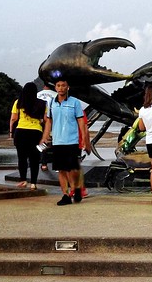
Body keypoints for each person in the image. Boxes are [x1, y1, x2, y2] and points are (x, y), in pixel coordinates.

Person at [40, 77, 91, 206]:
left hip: (72, 141)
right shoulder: (51, 103)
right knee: (61, 170)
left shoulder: (74, 103)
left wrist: (84, 139)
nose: (61, 88)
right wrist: (45, 137)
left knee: (72, 169)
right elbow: (49, 121)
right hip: (58, 141)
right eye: (58, 85)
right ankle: (66, 195)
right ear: (55, 87)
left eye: (63, 85)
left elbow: (81, 121)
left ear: (68, 87)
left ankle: (77, 188)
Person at [9, 82, 47, 190]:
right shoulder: (42, 103)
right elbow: (45, 120)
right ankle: (33, 183)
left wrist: (11, 132)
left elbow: (13, 119)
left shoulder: (18, 102)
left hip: (21, 132)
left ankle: (23, 180)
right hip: (36, 133)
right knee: (35, 159)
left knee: (22, 158)